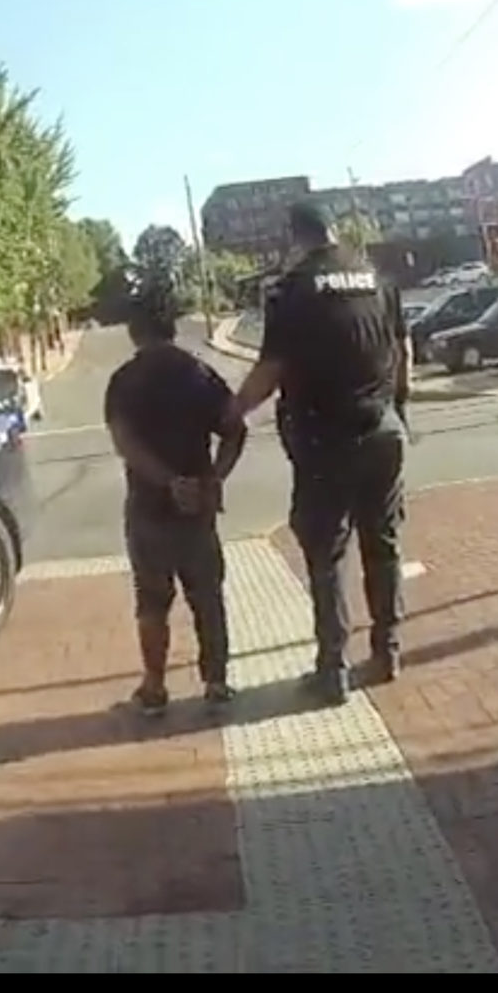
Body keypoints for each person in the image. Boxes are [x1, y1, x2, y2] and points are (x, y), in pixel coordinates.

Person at [228, 201, 410, 706]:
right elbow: (401, 352)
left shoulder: (293, 290)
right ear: (332, 230)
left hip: (324, 439)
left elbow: (269, 373)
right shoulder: (374, 275)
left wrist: (231, 411)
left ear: (295, 237)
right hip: (383, 429)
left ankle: (333, 669)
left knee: (326, 553)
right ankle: (387, 650)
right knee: (384, 542)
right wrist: (399, 409)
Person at [104, 285, 249, 714]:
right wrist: (214, 477)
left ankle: (154, 687)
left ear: (136, 332)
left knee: (151, 600)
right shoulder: (198, 374)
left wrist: (167, 482)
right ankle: (217, 682)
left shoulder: (125, 381)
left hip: (149, 507)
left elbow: (124, 443)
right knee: (208, 595)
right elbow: (235, 428)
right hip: (198, 508)